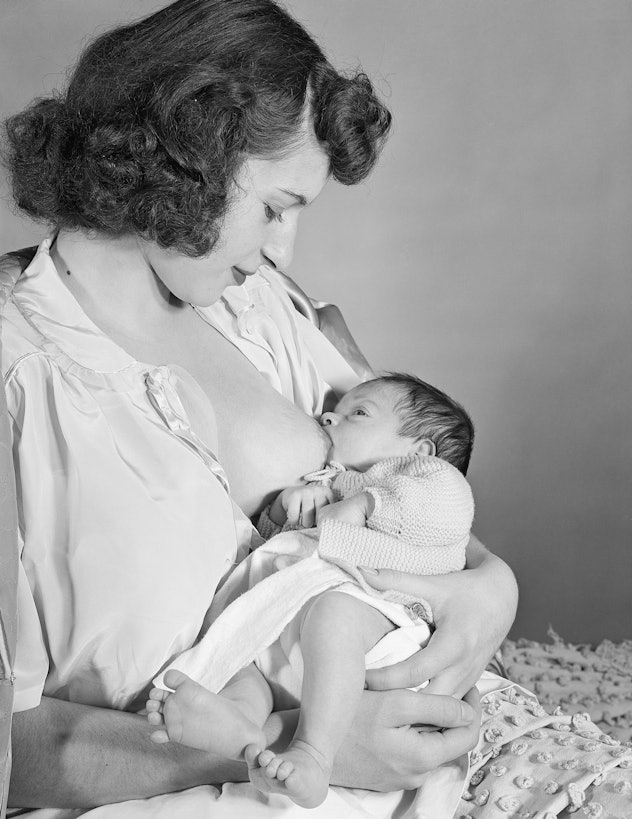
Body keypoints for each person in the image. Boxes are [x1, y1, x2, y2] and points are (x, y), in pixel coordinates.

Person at [0, 0, 522, 815]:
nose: (283, 253)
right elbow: (10, 751)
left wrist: (493, 586)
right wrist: (291, 746)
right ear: (180, 159)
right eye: (275, 208)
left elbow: (399, 491)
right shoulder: (18, 380)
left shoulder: (262, 309)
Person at [145, 374, 476, 808]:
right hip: (292, 633)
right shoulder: (329, 481)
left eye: (359, 412)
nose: (328, 415)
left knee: (334, 616)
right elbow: (276, 553)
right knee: (245, 659)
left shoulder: (430, 480)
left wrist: (366, 504)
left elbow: (445, 516)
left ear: (420, 449)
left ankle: (315, 754)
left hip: (375, 623)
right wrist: (281, 513)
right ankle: (241, 725)